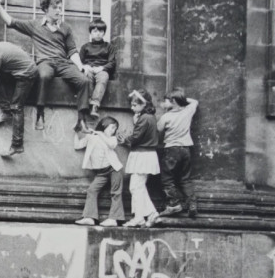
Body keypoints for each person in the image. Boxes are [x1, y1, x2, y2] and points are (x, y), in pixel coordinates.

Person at [0, 0, 93, 130]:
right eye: (55, 8)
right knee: (43, 76)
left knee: (84, 81)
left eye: (60, 7)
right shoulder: (35, 25)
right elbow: (10, 21)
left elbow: (72, 51)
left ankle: (81, 121)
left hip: (63, 63)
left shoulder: (66, 28)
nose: (59, 11)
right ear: (46, 9)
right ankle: (40, 113)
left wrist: (81, 66)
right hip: (45, 62)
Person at [119, 90, 161, 228]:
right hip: (146, 155)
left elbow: (136, 137)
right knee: (139, 187)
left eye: (134, 105)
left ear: (143, 104)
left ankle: (139, 217)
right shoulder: (150, 117)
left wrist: (124, 139)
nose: (132, 108)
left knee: (135, 187)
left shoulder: (144, 118)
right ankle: (151, 213)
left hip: (142, 155)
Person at [74, 116, 124, 227]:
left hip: (114, 168)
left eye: (115, 128)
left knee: (116, 192)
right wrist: (77, 132)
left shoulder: (112, 139)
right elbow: (78, 145)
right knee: (92, 190)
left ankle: (114, 219)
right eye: (112, 127)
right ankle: (90, 217)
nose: (114, 130)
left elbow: (112, 145)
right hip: (101, 172)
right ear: (104, 125)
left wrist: (100, 133)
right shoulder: (91, 137)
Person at [157, 88, 200, 218]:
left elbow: (158, 130)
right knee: (185, 179)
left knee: (167, 179)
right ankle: (192, 204)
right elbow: (195, 101)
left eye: (167, 100)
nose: (164, 103)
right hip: (186, 149)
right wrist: (180, 99)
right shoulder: (188, 111)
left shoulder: (166, 116)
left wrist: (170, 104)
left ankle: (174, 204)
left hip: (172, 150)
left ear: (173, 101)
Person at [79, 17, 116, 121]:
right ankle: (88, 104)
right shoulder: (85, 47)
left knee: (103, 78)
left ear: (104, 32)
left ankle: (95, 105)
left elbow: (112, 62)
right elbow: (79, 62)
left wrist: (102, 68)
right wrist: (85, 67)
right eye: (95, 31)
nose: (98, 33)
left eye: (101, 31)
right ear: (91, 32)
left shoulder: (109, 47)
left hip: (102, 70)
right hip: (89, 69)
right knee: (87, 78)